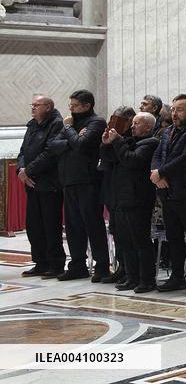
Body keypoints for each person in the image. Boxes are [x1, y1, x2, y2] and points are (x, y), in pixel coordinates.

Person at [151, 94, 186, 294]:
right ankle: (177, 276)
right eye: (173, 109)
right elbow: (158, 154)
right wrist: (157, 173)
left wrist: (162, 172)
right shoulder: (168, 131)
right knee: (173, 236)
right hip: (168, 191)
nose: (175, 114)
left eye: (180, 110)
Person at [104, 112, 159, 293]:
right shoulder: (130, 141)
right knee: (125, 240)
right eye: (133, 123)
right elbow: (111, 159)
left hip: (139, 198)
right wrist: (106, 144)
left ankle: (146, 279)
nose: (132, 126)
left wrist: (117, 141)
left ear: (148, 127)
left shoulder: (150, 143)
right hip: (122, 196)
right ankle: (131, 276)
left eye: (137, 123)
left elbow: (132, 160)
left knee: (140, 240)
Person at [58, 89, 109, 282]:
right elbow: (54, 145)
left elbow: (82, 145)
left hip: (88, 181)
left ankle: (102, 266)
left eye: (74, 106)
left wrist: (70, 133)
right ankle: (77, 264)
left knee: (93, 224)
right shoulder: (70, 123)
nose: (70, 109)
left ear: (87, 106)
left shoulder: (96, 122)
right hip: (69, 180)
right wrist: (72, 138)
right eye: (70, 105)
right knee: (73, 226)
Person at [17, 95, 67, 278]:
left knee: (50, 225)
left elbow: (50, 152)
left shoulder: (56, 124)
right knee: (34, 225)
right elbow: (23, 150)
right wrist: (21, 170)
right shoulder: (32, 124)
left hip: (49, 182)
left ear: (48, 107)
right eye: (33, 105)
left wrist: (28, 170)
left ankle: (55, 264)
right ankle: (40, 262)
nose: (33, 108)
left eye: (36, 105)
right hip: (32, 183)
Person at [97, 106, 135, 283]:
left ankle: (131, 270)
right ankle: (121, 266)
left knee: (128, 234)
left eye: (118, 120)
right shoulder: (113, 138)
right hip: (112, 189)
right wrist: (105, 143)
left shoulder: (132, 138)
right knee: (116, 231)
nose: (113, 124)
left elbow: (121, 159)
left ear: (128, 121)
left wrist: (115, 141)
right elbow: (106, 160)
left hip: (128, 192)